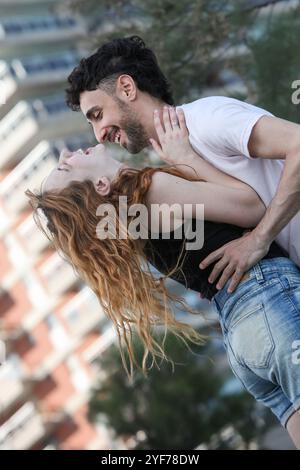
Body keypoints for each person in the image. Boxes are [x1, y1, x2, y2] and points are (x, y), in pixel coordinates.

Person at [26, 109, 300, 448]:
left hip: (244, 338)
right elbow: (252, 206)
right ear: (100, 185)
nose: (67, 153)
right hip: (267, 299)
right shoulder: (148, 191)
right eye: (66, 166)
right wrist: (185, 156)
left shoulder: (131, 223)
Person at [65, 35, 300, 294]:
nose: (98, 135)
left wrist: (259, 239)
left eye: (97, 115)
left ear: (127, 88)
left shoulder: (206, 119)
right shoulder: (174, 160)